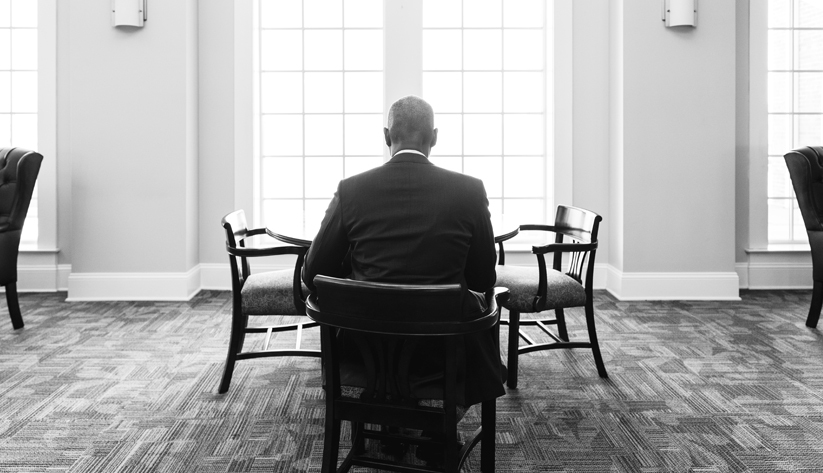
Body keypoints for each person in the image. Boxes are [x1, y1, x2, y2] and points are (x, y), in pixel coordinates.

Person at [302, 95, 506, 439]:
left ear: (386, 136)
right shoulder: (469, 190)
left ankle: (385, 416)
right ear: (435, 137)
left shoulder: (351, 190)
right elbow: (485, 277)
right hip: (444, 349)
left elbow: (312, 274)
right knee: (482, 315)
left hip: (365, 347)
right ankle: (439, 430)